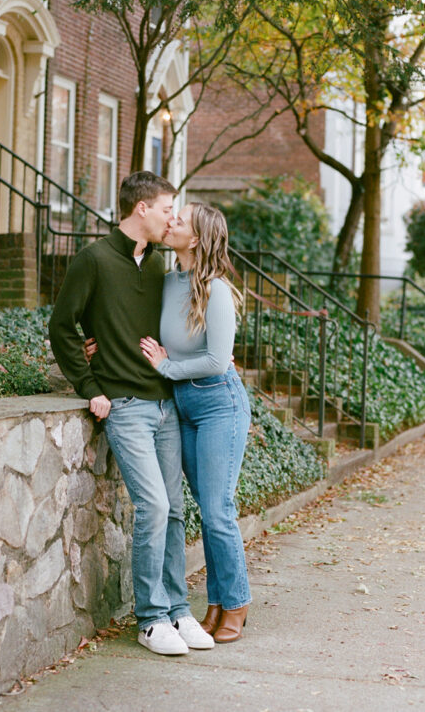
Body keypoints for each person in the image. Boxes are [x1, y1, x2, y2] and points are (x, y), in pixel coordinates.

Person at [48, 171, 214, 656]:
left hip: (166, 404)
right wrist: (90, 384)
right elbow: (62, 327)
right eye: (167, 208)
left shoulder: (163, 267)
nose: (172, 217)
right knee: (155, 506)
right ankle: (150, 619)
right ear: (141, 208)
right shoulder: (93, 261)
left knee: (176, 511)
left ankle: (178, 611)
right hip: (125, 406)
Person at [139, 201, 252, 643]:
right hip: (182, 406)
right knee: (206, 510)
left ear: (198, 239)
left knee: (219, 509)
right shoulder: (168, 283)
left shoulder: (217, 291)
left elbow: (216, 360)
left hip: (219, 403)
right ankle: (216, 603)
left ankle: (236, 604)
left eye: (180, 221)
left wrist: (167, 369)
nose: (171, 222)